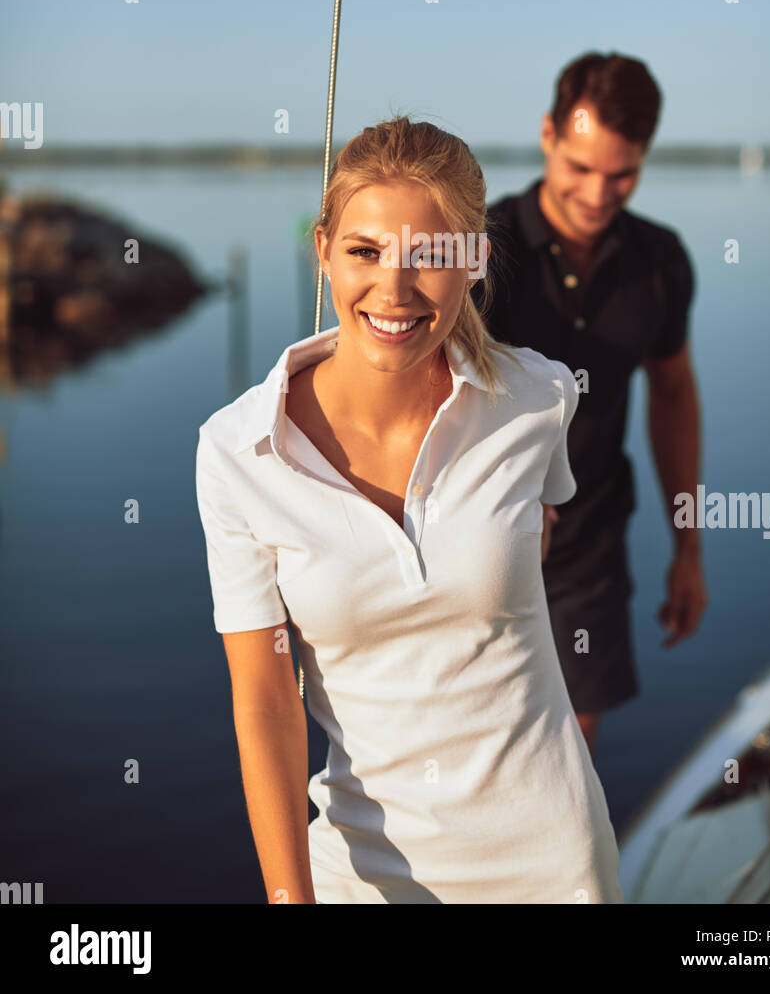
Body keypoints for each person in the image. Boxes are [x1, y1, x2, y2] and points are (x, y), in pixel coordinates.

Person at [195, 116, 624, 905]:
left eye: (430, 257)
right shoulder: (236, 452)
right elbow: (263, 698)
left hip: (553, 866)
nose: (393, 290)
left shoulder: (539, 398)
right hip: (363, 874)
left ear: (474, 263)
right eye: (364, 251)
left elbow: (545, 532)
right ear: (321, 247)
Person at [475, 53, 707, 759]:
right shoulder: (481, 250)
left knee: (570, 758)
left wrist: (688, 545)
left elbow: (672, 393)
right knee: (474, 750)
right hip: (475, 539)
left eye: (622, 173)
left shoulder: (662, 262)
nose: (599, 193)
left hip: (591, 549)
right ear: (548, 134)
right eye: (580, 167)